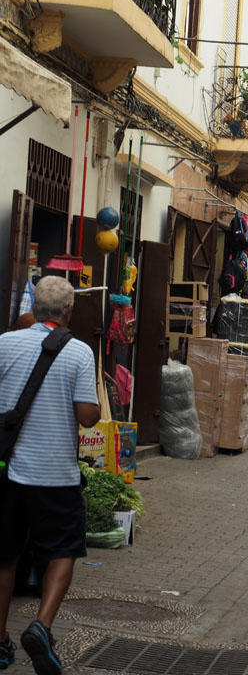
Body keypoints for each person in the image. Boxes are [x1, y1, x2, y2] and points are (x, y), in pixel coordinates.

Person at [0, 276, 100, 675]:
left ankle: (0, 643)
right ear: (69, 310)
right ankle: (41, 626)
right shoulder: (78, 353)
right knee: (62, 551)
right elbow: (88, 417)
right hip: (55, 475)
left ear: (33, 308)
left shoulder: (4, 343)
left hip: (7, 473)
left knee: (4, 556)